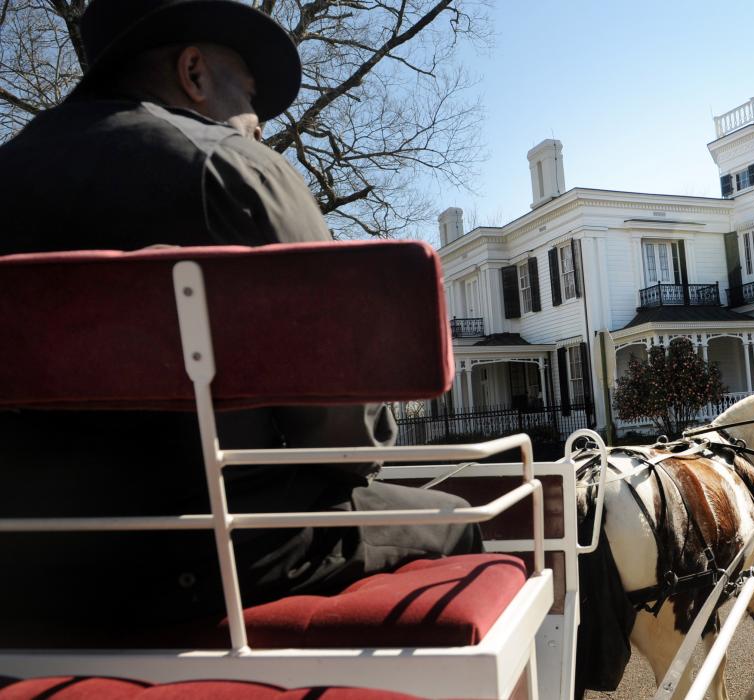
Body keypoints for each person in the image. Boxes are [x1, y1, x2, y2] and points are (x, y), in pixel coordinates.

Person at [0, 0, 481, 635]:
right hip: (216, 557)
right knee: (459, 516)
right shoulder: (235, 168)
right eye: (249, 96)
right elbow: (344, 447)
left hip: (22, 570)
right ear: (193, 72)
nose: (256, 123)